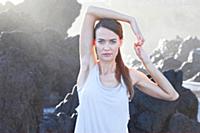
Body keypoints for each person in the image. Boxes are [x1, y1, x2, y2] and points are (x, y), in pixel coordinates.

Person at [74, 6, 179, 133]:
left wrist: (146, 62)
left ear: (120, 42)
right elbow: (90, 12)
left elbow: (171, 95)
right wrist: (130, 20)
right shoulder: (88, 68)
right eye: (101, 41)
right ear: (94, 43)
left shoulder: (130, 76)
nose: (106, 48)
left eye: (112, 41)